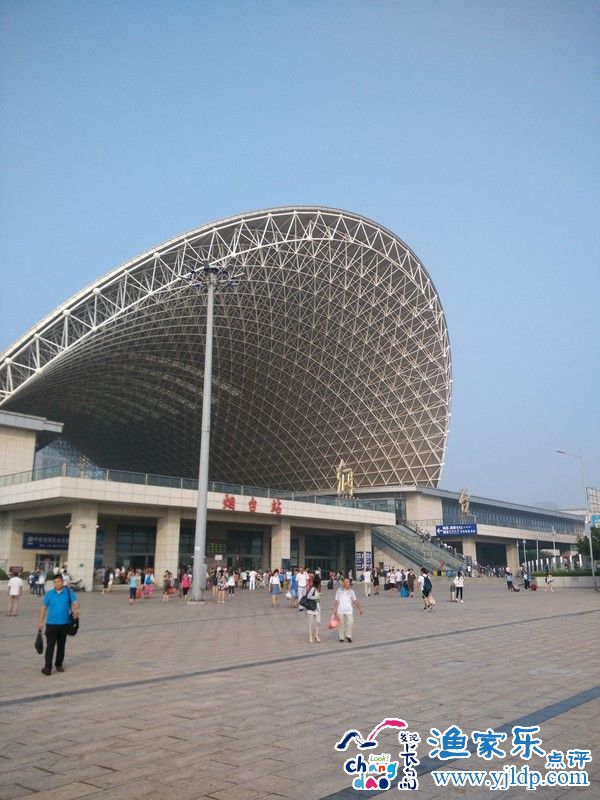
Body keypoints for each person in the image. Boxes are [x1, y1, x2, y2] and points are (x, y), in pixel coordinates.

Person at [37, 574, 79, 675]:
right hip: (51, 624)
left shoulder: (68, 592)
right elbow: (44, 608)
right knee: (50, 646)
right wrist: (40, 621)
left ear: (62, 582)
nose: (57, 584)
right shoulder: (49, 594)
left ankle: (59, 664)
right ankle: (48, 667)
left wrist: (76, 610)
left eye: (59, 582)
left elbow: (75, 602)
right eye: (55, 582)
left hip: (64, 624)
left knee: (61, 646)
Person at [333, 577, 363, 642]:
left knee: (351, 622)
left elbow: (355, 600)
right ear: (343, 583)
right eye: (347, 582)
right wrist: (335, 609)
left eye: (349, 582)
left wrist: (359, 609)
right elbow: (337, 600)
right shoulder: (339, 591)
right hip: (340, 610)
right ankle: (341, 638)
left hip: (349, 610)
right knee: (341, 624)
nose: (348, 583)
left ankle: (348, 636)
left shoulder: (351, 591)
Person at [306, 575, 322, 643]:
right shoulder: (313, 588)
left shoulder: (319, 589)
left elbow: (319, 599)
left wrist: (318, 598)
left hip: (317, 607)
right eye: (319, 582)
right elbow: (308, 596)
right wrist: (315, 598)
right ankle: (310, 637)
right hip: (311, 607)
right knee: (311, 623)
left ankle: (316, 635)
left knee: (318, 621)